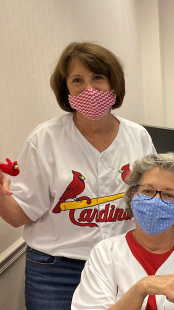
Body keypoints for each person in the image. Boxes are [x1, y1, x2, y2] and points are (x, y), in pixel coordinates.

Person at [0, 42, 155, 309]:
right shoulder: (44, 139)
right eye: (77, 80)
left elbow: (151, 200)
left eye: (98, 77)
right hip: (55, 271)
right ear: (66, 89)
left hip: (123, 262)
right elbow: (18, 215)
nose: (89, 89)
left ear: (113, 84)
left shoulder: (137, 137)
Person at [72, 153, 174, 309]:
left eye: (168, 195)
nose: (156, 201)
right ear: (133, 196)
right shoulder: (105, 254)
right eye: (148, 191)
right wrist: (141, 288)